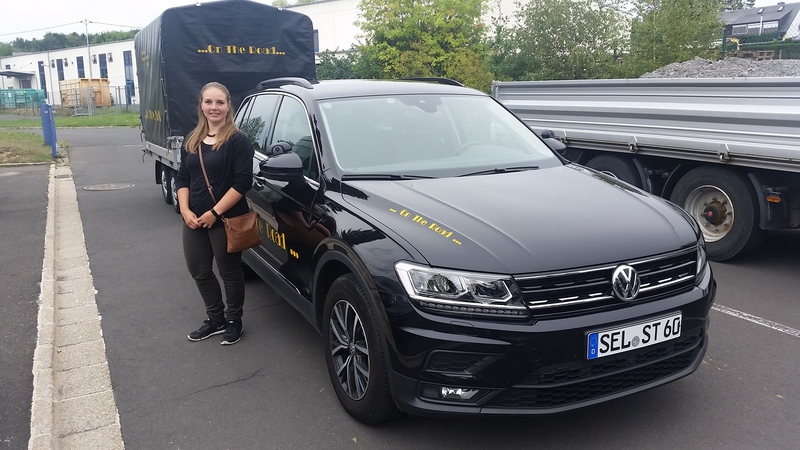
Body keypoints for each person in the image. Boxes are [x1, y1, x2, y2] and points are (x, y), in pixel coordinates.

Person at [174, 82, 255, 345]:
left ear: (228, 106)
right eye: (208, 102)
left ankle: (234, 320)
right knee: (199, 271)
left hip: (225, 218)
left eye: (220, 102)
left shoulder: (237, 140)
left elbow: (242, 183)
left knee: (229, 272)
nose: (214, 107)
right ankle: (216, 318)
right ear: (201, 105)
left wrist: (214, 212)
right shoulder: (192, 139)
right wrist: (185, 210)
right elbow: (182, 177)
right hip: (194, 219)